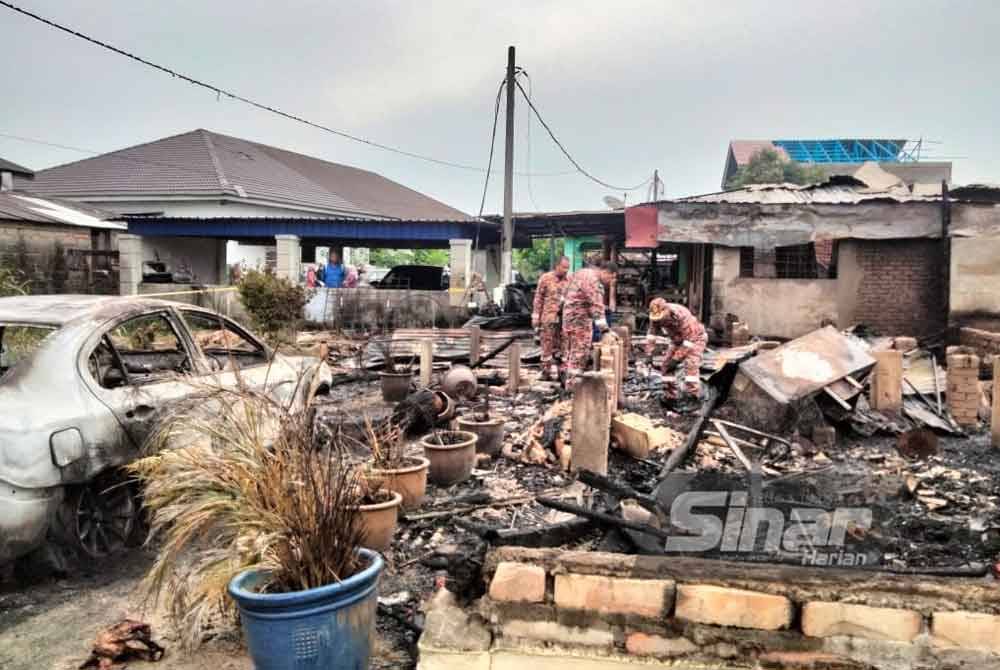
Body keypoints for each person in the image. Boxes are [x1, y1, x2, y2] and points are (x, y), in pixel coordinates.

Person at [645, 298, 707, 411]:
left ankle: (694, 398)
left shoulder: (681, 314)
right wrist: (649, 354)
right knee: (666, 365)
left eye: (662, 318)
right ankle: (671, 396)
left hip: (695, 339)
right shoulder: (654, 316)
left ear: (666, 310)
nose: (660, 321)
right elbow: (651, 335)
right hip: (677, 340)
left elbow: (689, 342)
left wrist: (676, 359)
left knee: (690, 365)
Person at [561, 258, 617, 382]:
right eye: (611, 278)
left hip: (568, 318)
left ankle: (564, 379)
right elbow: (596, 306)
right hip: (579, 321)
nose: (611, 282)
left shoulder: (581, 272)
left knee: (568, 352)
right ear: (605, 272)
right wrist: (605, 331)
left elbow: (564, 292)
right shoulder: (594, 281)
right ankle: (573, 388)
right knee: (579, 353)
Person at [532, 256, 570, 380]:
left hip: (564, 320)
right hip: (548, 318)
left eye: (567, 268)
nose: (566, 270)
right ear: (557, 266)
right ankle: (546, 371)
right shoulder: (546, 278)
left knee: (564, 344)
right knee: (546, 344)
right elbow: (538, 298)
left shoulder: (570, 280)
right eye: (564, 267)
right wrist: (536, 316)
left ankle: (563, 371)